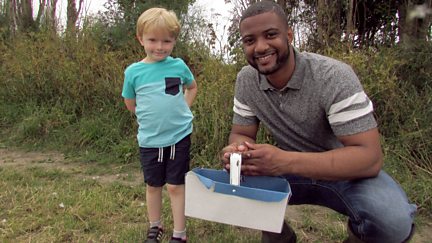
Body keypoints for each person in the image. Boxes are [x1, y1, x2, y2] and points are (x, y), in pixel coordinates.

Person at [221, 1, 416, 243]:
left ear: (289, 35)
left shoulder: (332, 76)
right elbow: (242, 133)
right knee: (233, 179)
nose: (260, 47)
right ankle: (278, 236)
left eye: (270, 35)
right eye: (250, 40)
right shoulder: (247, 80)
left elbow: (369, 158)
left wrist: (282, 161)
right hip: (286, 173)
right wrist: (238, 151)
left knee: (392, 222)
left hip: (348, 174)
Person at [122, 7, 197, 243]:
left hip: (179, 136)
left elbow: (191, 86)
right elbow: (130, 103)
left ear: (174, 40)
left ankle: (179, 234)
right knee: (153, 185)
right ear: (140, 39)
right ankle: (155, 226)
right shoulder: (133, 72)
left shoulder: (178, 66)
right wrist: (150, 117)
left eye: (167, 41)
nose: (160, 46)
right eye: (153, 40)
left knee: (175, 186)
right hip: (150, 139)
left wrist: (183, 107)